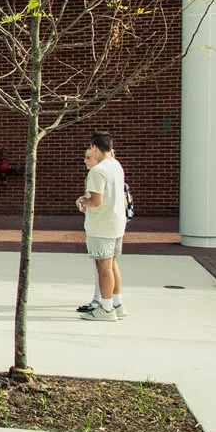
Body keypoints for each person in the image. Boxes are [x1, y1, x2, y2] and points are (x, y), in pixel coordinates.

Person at [76, 131, 129, 321]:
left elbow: (96, 201)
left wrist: (83, 202)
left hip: (101, 225)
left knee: (103, 267)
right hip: (117, 222)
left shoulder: (97, 171)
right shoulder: (116, 165)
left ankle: (106, 309)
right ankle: (117, 303)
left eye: (91, 148)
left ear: (96, 147)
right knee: (112, 264)